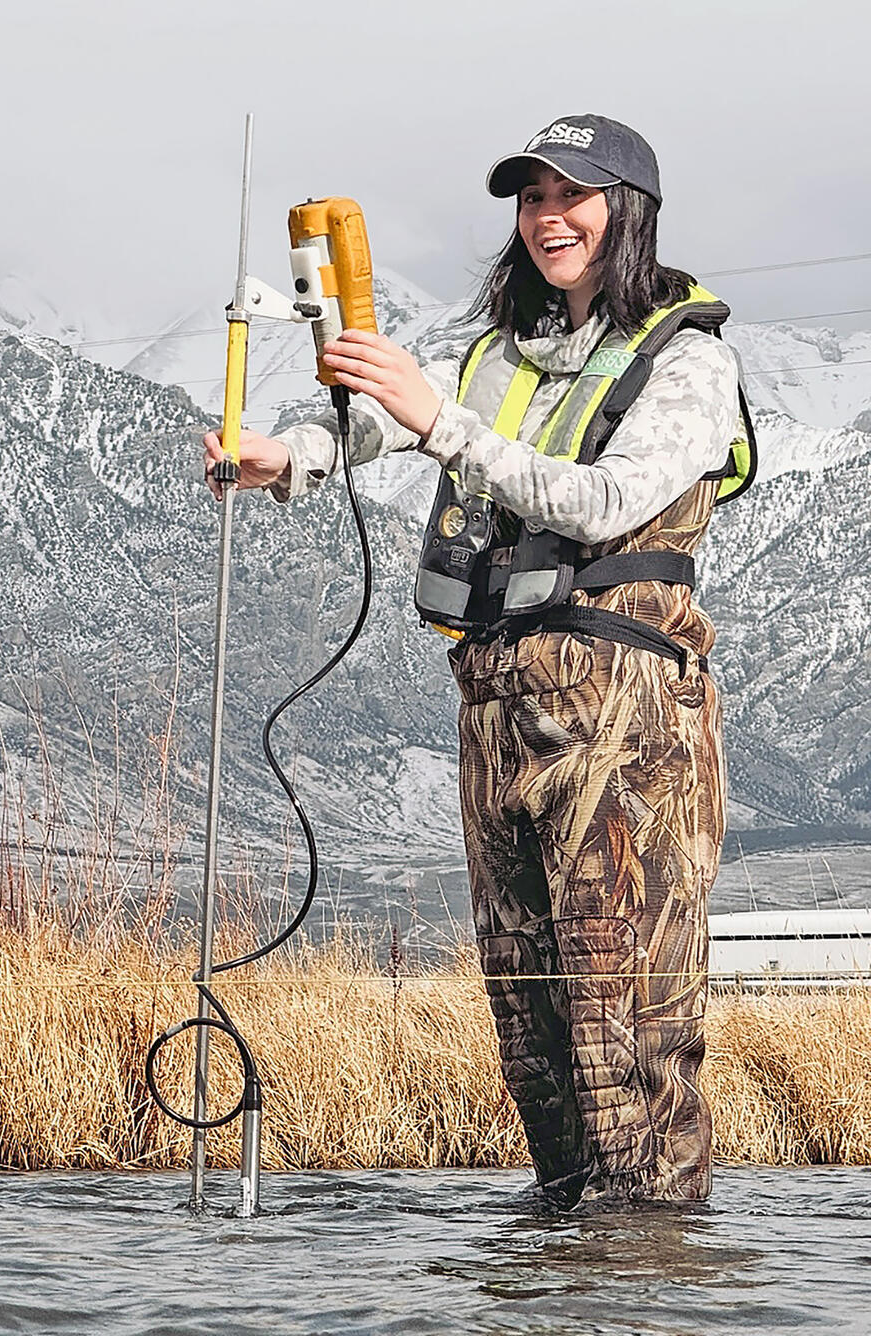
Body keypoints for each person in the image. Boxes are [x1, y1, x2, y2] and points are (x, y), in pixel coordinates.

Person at [202, 113, 755, 1205]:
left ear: (627, 212)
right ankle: (559, 1258)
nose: (548, 218)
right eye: (532, 197)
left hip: (627, 713)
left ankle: (647, 1260)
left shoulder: (690, 359)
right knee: (529, 1021)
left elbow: (602, 500)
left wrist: (438, 420)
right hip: (496, 702)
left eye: (572, 196)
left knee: (621, 1018)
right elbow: (379, 428)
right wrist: (286, 454)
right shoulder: (503, 351)